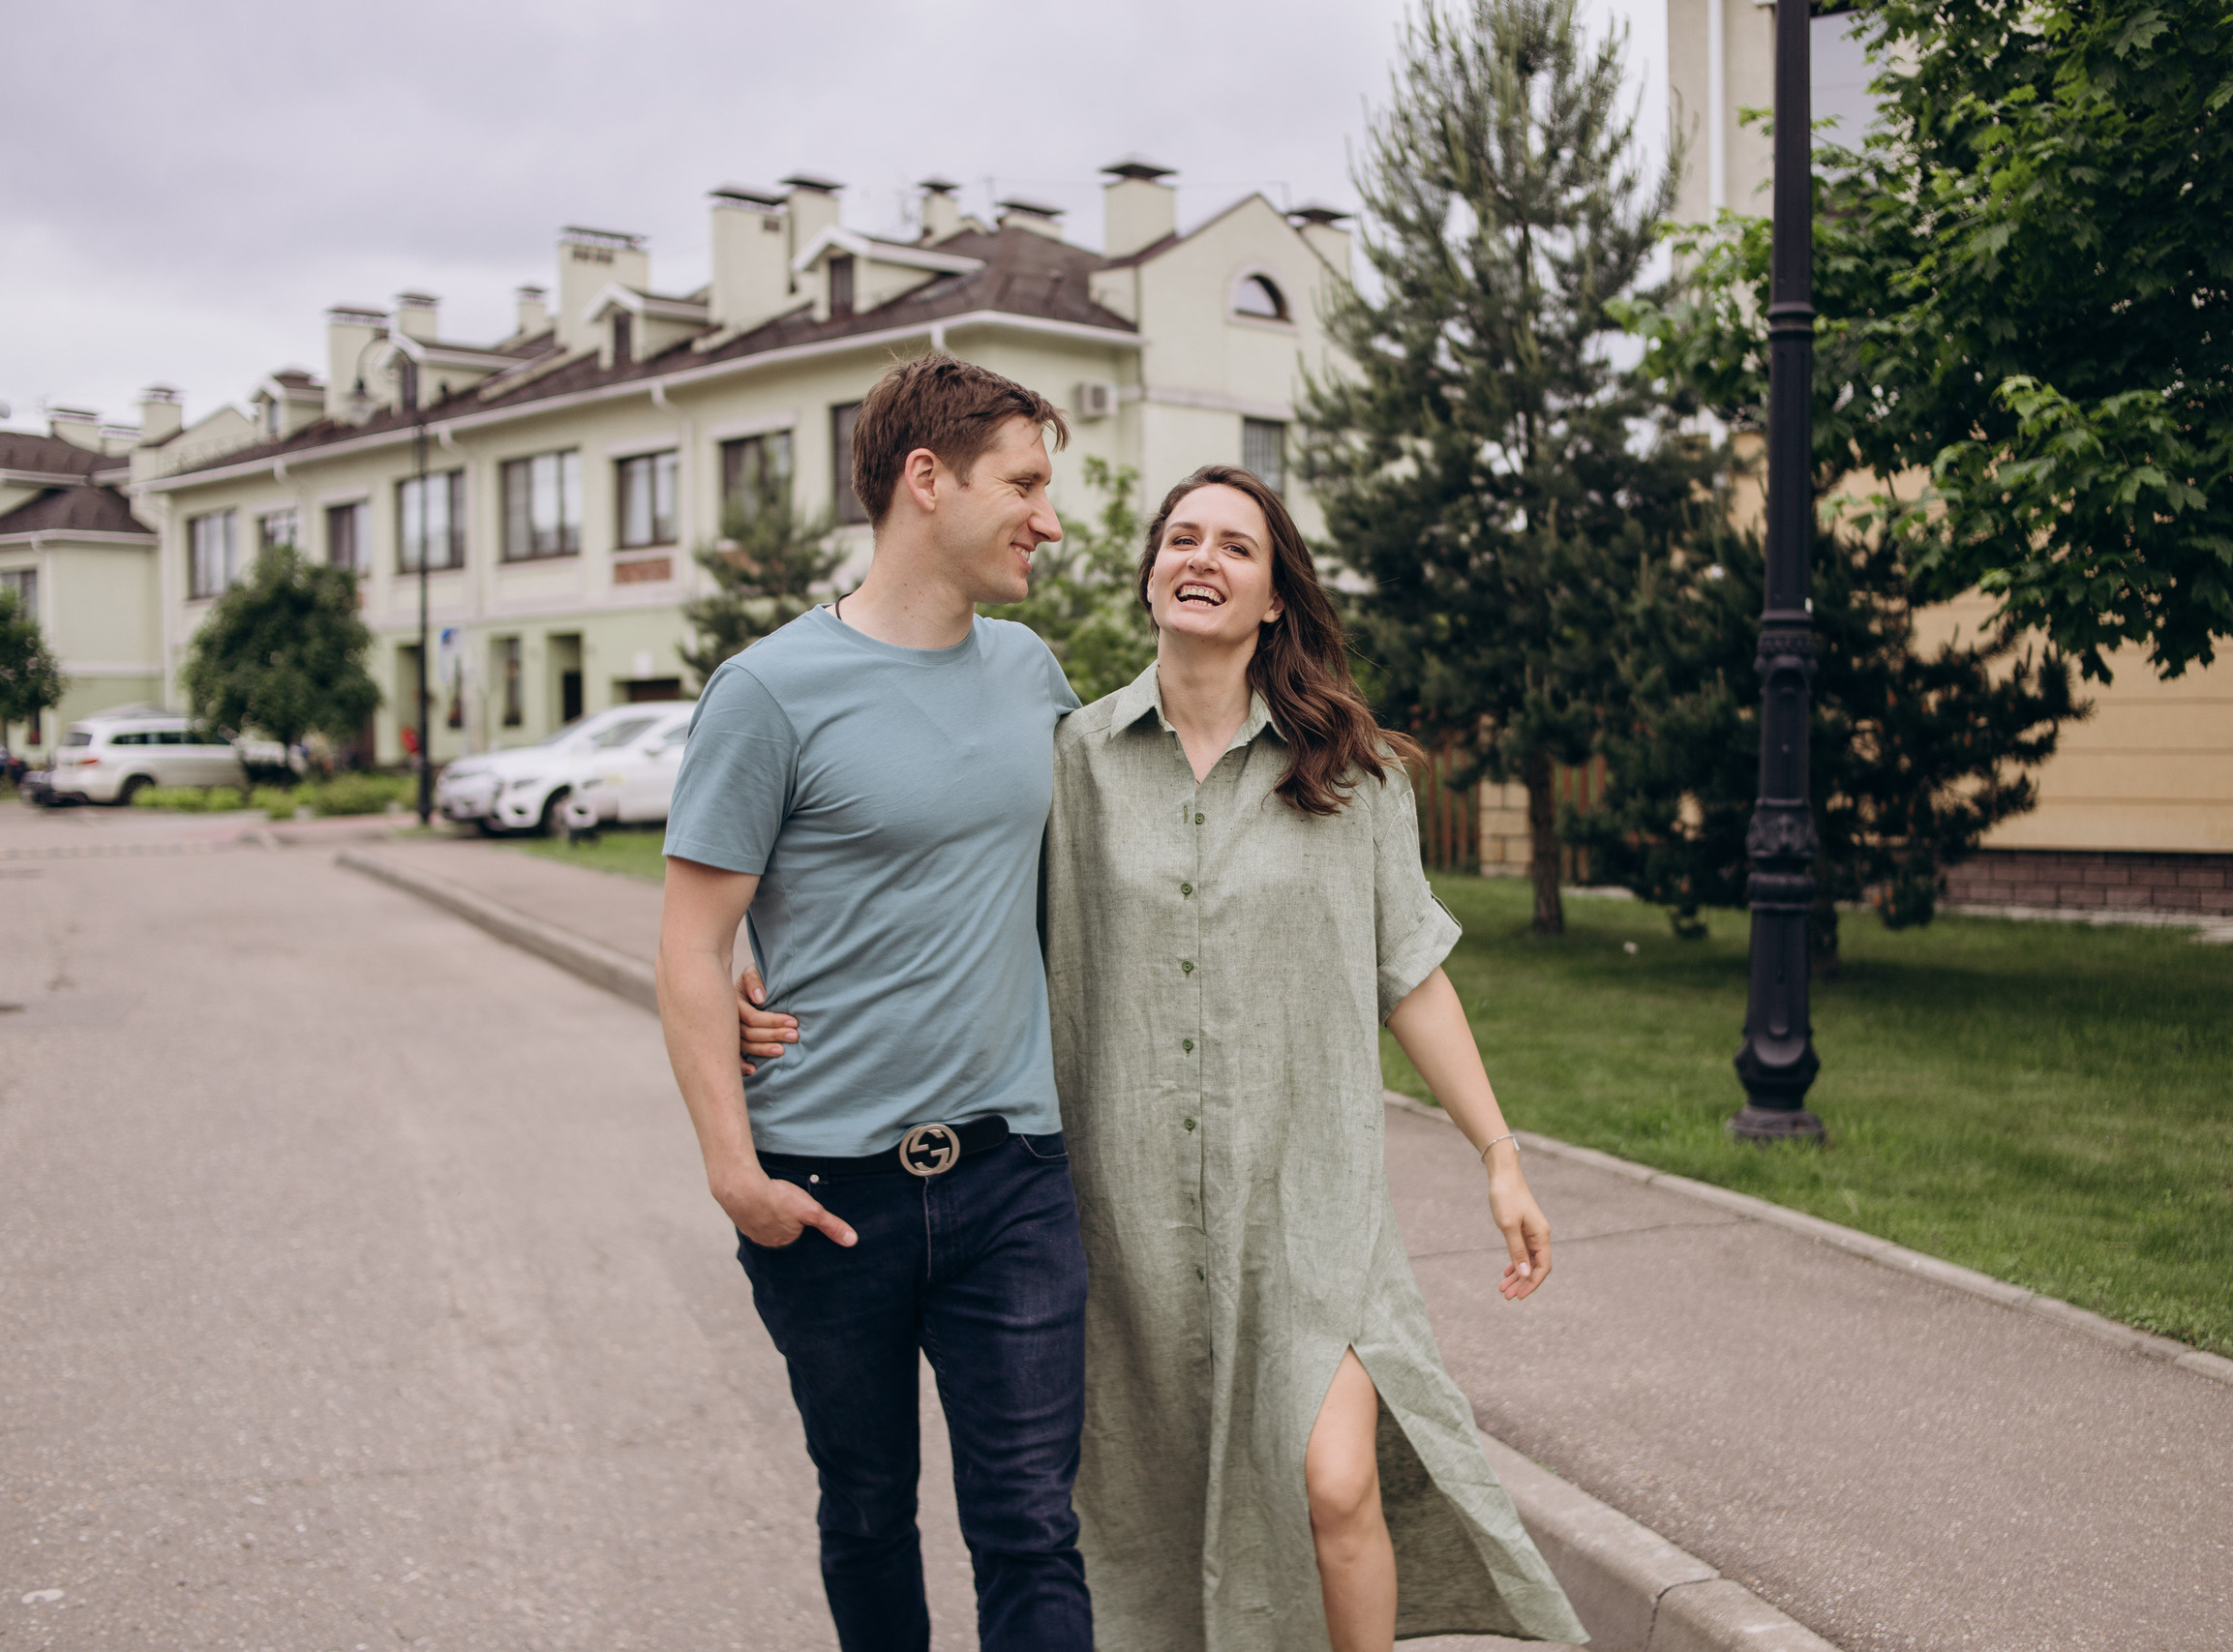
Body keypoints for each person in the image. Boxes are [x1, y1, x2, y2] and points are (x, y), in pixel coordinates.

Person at [744, 466, 1585, 1651]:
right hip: (1122, 1216)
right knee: (1137, 1517)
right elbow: (927, 880)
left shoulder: (1353, 776)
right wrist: (751, 951)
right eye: (1181, 538)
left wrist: (1499, 1153)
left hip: (1308, 1212)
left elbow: (1414, 975)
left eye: (1236, 547)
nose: (1202, 559)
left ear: (1275, 595)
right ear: (1150, 574)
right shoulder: (1067, 762)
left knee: (1336, 1483)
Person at [656, 355, 1092, 1652]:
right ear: (926, 481)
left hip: (1012, 1171)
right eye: (1023, 483)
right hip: (826, 1192)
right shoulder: (770, 692)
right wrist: (736, 1172)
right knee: (866, 1506)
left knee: (1028, 1521)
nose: (1048, 520)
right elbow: (691, 943)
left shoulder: (1033, 674)